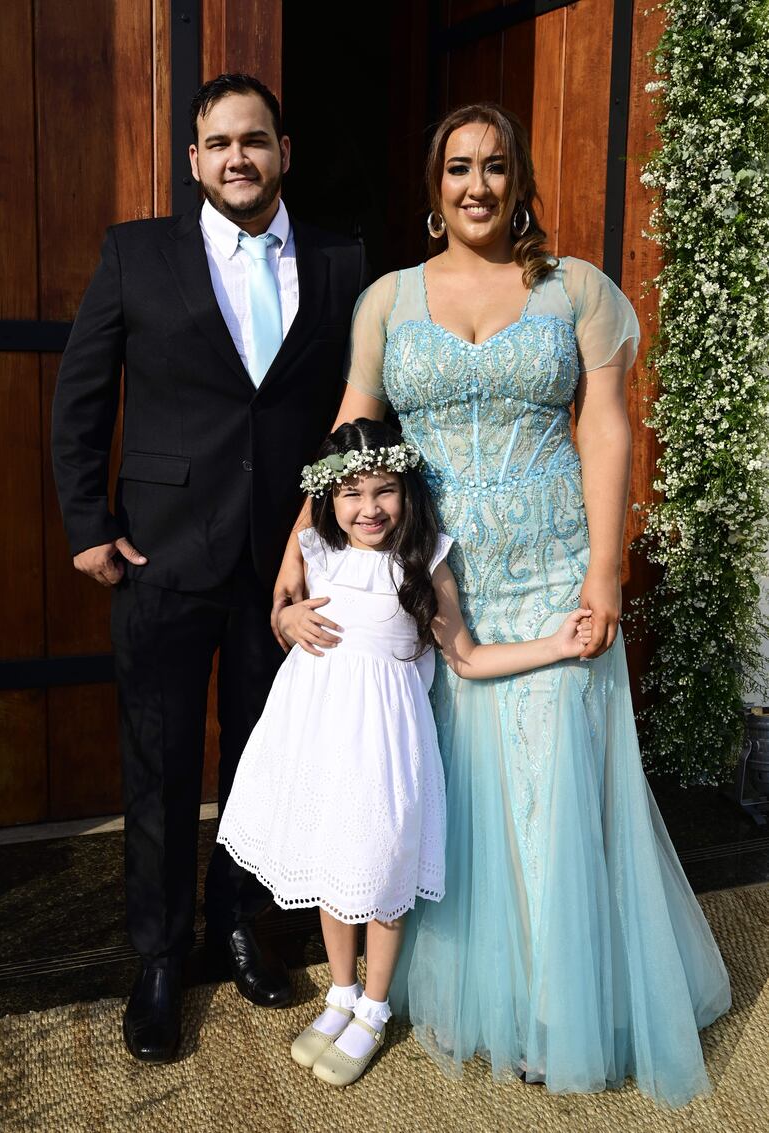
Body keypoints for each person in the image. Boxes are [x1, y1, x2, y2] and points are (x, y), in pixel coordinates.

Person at [271, 104, 731, 1106]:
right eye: (454, 169)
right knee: (445, 785)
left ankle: (557, 1011)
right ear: (433, 188)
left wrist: (603, 570)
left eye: (492, 167)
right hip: (427, 582)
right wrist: (296, 550)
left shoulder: (577, 292)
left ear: (518, 181)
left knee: (552, 787)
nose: (474, 185)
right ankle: (436, 987)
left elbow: (604, 430)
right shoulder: (388, 300)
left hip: (550, 567)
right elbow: (353, 426)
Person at [51, 72, 369, 1064]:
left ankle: (240, 922)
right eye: (219, 143)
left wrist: (345, 539)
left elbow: (354, 410)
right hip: (163, 553)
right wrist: (88, 522)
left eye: (255, 140)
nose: (238, 157)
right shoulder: (134, 252)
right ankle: (157, 955)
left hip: (286, 565)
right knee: (157, 761)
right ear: (194, 160)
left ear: (284, 151)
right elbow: (82, 395)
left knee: (263, 757)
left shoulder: (339, 258)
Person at [218, 418, 593, 1088]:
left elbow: (468, 657)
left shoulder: (422, 563)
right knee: (336, 864)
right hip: (318, 737)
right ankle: (340, 992)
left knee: (383, 872)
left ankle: (374, 1004)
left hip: (385, 747)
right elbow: (285, 616)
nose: (368, 508)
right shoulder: (315, 550)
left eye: (384, 490)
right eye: (351, 493)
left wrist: (556, 646)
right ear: (327, 498)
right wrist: (285, 618)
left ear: (407, 492)